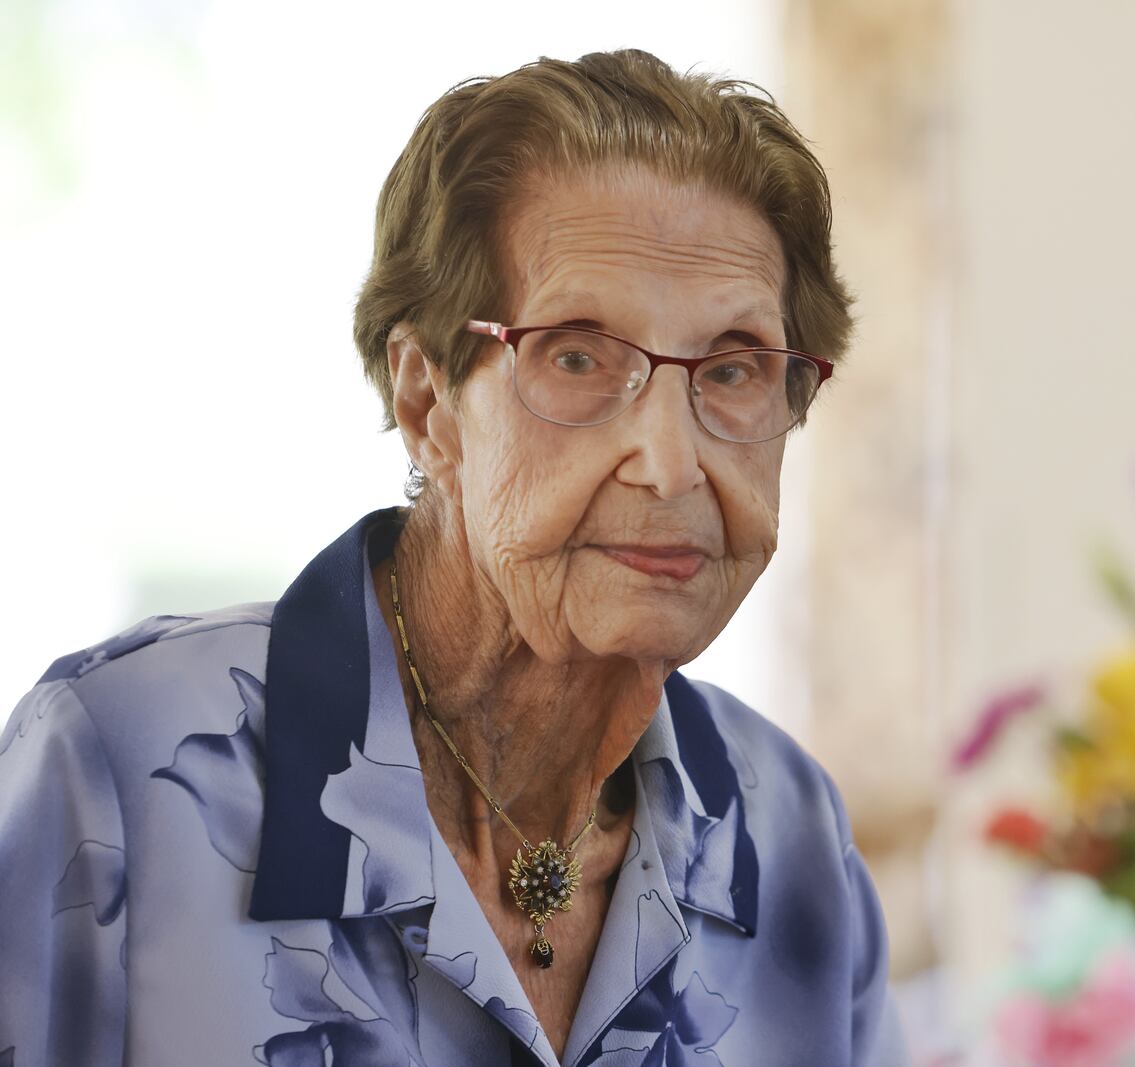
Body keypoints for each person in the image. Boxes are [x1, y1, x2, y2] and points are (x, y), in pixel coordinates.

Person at [0, 49, 905, 1067]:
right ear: (428, 404)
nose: (670, 462)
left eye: (734, 367)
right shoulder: (122, 767)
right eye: (575, 355)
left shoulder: (790, 841)